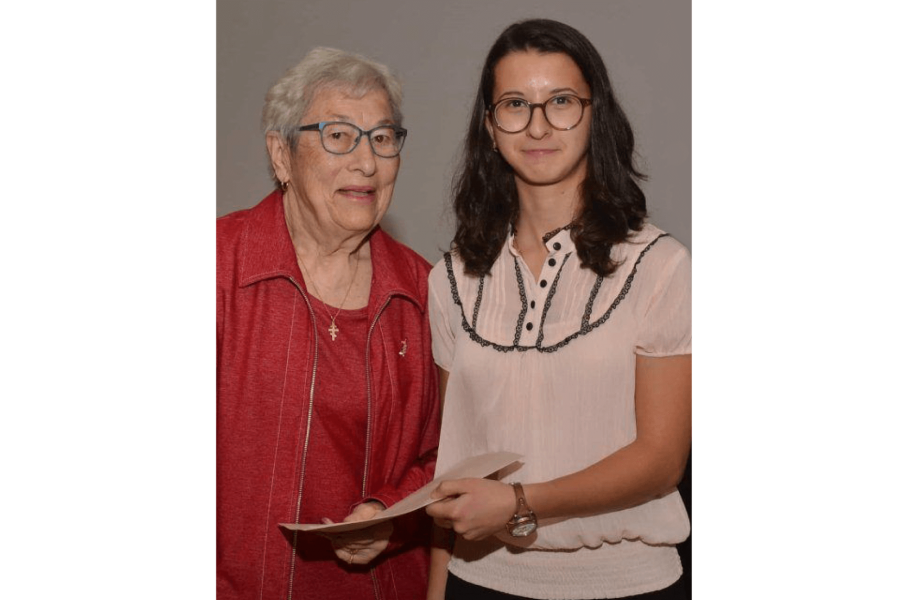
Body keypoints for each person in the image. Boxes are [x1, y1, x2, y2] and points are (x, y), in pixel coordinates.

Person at [425, 19, 693, 600]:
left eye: (562, 101)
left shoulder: (660, 265)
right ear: (490, 126)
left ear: (596, 116)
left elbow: (662, 460)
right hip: (480, 581)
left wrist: (523, 502)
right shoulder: (449, 280)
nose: (539, 124)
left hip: (629, 585)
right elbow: (459, 467)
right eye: (516, 104)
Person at [215, 47, 441, 600]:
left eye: (383, 138)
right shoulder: (223, 265)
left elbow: (449, 453)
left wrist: (391, 511)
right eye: (338, 135)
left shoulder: (427, 292)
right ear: (281, 155)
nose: (367, 162)